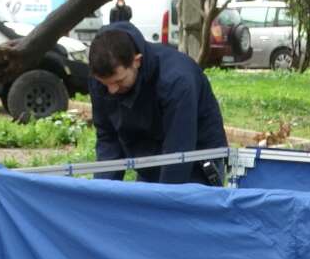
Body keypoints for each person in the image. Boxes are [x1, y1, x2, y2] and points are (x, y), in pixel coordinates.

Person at [89, 21, 228, 185]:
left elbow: (179, 151)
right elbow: (108, 137)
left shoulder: (177, 79)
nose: (112, 90)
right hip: (148, 155)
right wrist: (102, 193)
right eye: (106, 84)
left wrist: (163, 202)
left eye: (119, 81)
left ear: (137, 61)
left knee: (174, 206)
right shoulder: (101, 79)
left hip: (196, 156)